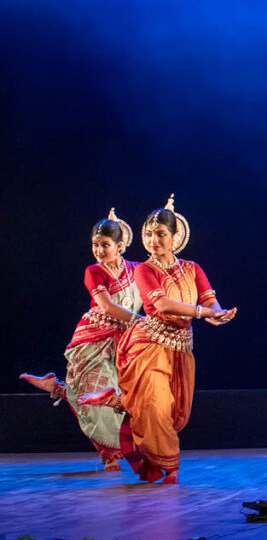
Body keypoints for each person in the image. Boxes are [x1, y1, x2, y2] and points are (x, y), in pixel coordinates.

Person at [80, 195, 236, 484]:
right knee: (155, 407)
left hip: (181, 350)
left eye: (161, 235)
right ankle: (171, 469)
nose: (153, 240)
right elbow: (163, 305)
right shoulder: (144, 270)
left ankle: (119, 400)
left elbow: (210, 302)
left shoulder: (193, 268)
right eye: (149, 235)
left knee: (175, 413)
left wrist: (219, 314)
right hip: (147, 346)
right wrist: (203, 313)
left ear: (176, 237)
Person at [20, 210, 142, 470]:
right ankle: (110, 455)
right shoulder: (94, 272)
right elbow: (107, 307)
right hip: (93, 338)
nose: (98, 250)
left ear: (120, 246)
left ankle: (59, 389)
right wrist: (142, 322)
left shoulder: (137, 271)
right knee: (94, 395)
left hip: (126, 340)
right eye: (95, 244)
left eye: (105, 245)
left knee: (118, 395)